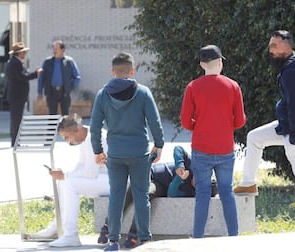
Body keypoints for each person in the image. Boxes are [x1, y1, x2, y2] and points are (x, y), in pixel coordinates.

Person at [234, 30, 295, 231]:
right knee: (254, 137)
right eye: (270, 46)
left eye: (274, 46)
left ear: (287, 46)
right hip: (289, 128)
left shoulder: (292, 72)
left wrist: (294, 139)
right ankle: (249, 182)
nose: (270, 51)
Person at [90, 52, 165, 251]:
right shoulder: (143, 92)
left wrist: (98, 150)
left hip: (115, 155)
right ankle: (144, 239)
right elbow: (155, 122)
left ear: (113, 72)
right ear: (132, 71)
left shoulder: (102, 95)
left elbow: (95, 126)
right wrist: (159, 145)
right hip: (140, 154)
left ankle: (113, 241)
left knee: (116, 196)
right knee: (141, 196)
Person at [180, 45, 246, 238]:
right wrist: (226, 125)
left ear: (201, 64)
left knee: (202, 194)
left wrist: (198, 126)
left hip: (201, 148)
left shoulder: (192, 87)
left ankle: (198, 237)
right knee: (227, 193)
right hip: (225, 148)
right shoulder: (233, 86)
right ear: (220, 62)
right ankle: (233, 236)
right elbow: (240, 120)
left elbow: (185, 121)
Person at [97, 146, 212, 249]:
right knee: (131, 190)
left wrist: (180, 178)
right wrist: (180, 166)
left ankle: (134, 232)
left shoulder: (192, 191)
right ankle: (108, 226)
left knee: (146, 194)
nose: (198, 180)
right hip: (152, 174)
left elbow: (172, 193)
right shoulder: (193, 164)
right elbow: (178, 149)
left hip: (160, 186)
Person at [28, 114, 110, 247]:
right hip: (102, 178)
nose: (67, 142)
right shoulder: (85, 137)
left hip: (115, 181)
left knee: (69, 182)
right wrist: (64, 175)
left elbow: (90, 172)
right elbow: (80, 167)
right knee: (65, 181)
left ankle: (71, 235)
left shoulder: (94, 138)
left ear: (76, 130)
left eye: (67, 137)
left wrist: (65, 175)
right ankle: (58, 226)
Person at [5, 42, 42, 147]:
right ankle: (16, 142)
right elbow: (22, 77)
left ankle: (15, 141)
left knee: (16, 119)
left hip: (16, 96)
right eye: (23, 52)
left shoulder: (14, 62)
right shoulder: (15, 63)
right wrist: (36, 74)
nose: (25, 53)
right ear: (19, 53)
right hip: (17, 96)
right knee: (16, 119)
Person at [37, 40, 81, 116]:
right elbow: (41, 77)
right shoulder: (47, 62)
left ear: (62, 50)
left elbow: (77, 77)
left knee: (65, 116)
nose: (54, 51)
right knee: (52, 116)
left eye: (56, 49)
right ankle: (52, 128)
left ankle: (64, 128)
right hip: (51, 92)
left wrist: (70, 87)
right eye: (53, 49)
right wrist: (40, 92)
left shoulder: (69, 62)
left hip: (64, 92)